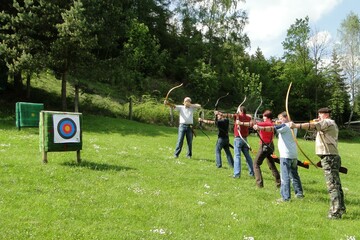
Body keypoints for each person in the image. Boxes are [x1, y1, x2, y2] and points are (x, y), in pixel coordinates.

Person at [290, 107, 346, 219]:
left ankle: (335, 212)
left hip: (329, 156)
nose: (319, 116)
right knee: (336, 184)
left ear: (326, 114)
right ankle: (341, 208)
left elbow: (312, 126)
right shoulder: (328, 123)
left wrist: (296, 126)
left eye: (320, 115)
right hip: (331, 156)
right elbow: (314, 126)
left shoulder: (327, 122)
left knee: (332, 185)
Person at [255, 111, 304, 201]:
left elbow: (271, 128)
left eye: (281, 118)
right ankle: (299, 193)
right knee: (294, 175)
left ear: (286, 118)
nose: (280, 120)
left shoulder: (285, 126)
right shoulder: (293, 126)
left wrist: (259, 127)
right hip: (293, 154)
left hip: (286, 155)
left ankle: (285, 197)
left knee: (285, 177)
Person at [218, 106, 254, 178]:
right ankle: (252, 173)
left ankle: (237, 174)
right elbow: (250, 118)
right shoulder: (248, 117)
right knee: (248, 157)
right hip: (245, 139)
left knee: (237, 156)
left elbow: (229, 115)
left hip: (238, 139)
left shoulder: (238, 116)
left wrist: (220, 114)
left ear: (240, 110)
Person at [249, 110, 280, 188]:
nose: (263, 118)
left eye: (264, 116)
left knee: (256, 164)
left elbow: (257, 124)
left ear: (268, 117)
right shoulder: (270, 123)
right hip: (270, 146)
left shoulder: (268, 123)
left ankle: (259, 184)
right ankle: (279, 183)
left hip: (265, 146)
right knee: (271, 165)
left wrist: (254, 122)